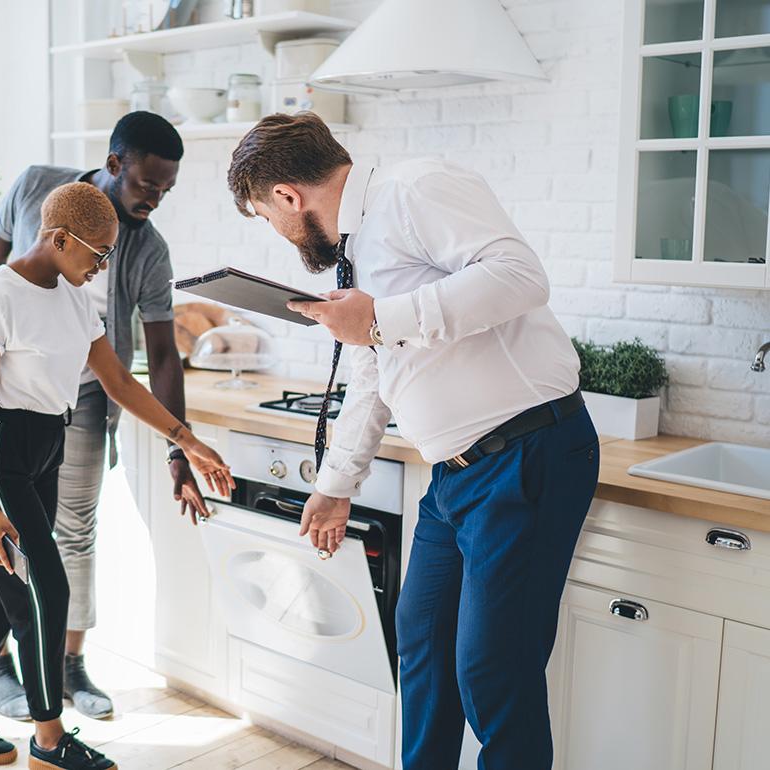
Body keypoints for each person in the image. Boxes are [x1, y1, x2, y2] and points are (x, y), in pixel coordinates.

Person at [226, 112, 599, 770]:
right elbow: (373, 377)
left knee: (492, 670)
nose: (281, 234)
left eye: (267, 217)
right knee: (421, 647)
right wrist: (336, 485)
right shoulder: (358, 254)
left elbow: (520, 277)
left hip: (527, 454)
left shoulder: (415, 189)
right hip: (454, 478)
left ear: (287, 196)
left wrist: (380, 317)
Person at [0, 182, 233, 770]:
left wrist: (187, 441)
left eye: (108, 255)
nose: (101, 268)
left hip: (44, 452)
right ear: (59, 238)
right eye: (96, 254)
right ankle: (48, 740)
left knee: (1, 592)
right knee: (45, 591)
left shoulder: (72, 296)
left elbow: (118, 383)